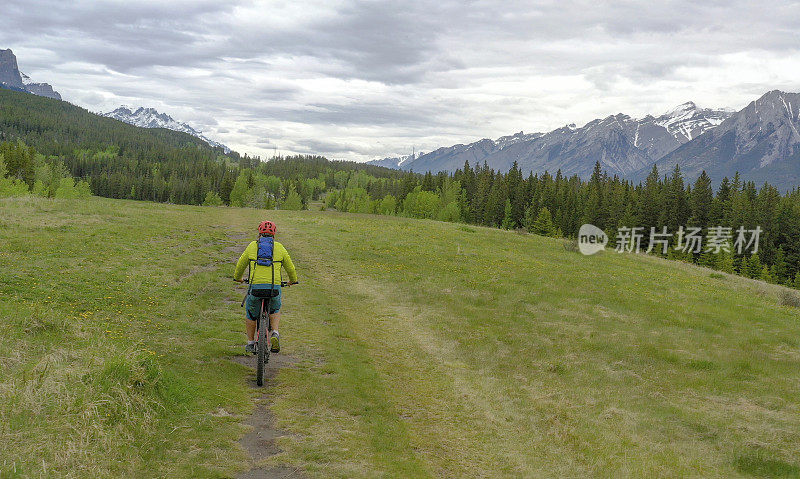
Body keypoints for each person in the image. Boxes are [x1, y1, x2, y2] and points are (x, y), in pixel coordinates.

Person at [234, 220, 298, 354]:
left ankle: (251, 343)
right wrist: (293, 281)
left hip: (256, 288)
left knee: (251, 314)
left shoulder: (252, 246)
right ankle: (274, 332)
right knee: (275, 309)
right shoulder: (279, 247)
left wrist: (238, 278)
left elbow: (240, 264)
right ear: (274, 234)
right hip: (274, 288)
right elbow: (290, 268)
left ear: (259, 233)